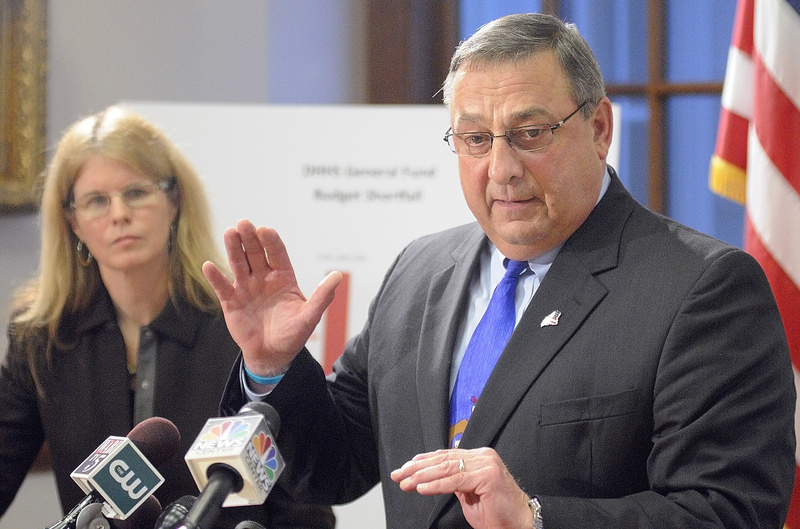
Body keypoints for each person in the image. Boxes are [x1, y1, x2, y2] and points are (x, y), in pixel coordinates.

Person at [204, 13, 796, 529]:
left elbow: (727, 513)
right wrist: (274, 367)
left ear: (599, 130)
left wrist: (536, 519)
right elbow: (335, 469)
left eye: (530, 134)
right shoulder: (418, 272)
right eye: (475, 139)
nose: (501, 168)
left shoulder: (702, 289)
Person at [0, 106, 335, 529]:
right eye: (97, 201)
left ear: (174, 201)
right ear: (74, 223)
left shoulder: (241, 328)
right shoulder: (42, 336)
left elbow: (304, 507)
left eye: (136, 193)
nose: (119, 214)